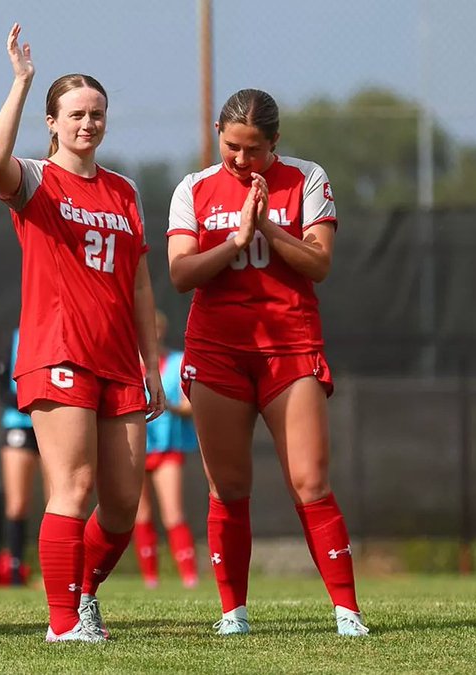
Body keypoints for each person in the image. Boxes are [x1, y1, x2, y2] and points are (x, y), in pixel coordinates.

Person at [0, 24, 165, 643]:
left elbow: (141, 286)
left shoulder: (125, 190)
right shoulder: (35, 180)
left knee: (121, 506)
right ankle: (63, 624)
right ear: (53, 123)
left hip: (119, 358)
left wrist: (152, 364)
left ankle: (81, 592)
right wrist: (22, 83)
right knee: (74, 487)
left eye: (97, 114)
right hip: (58, 351)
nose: (88, 124)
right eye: (76, 115)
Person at [166, 88, 368, 637]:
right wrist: (235, 241)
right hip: (218, 350)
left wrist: (269, 230)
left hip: (290, 346)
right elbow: (181, 274)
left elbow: (320, 263)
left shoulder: (307, 178)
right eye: (231, 145)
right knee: (227, 486)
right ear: (217, 132)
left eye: (253, 149)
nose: (239, 159)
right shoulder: (194, 188)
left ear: (275, 143)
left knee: (310, 480)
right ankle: (233, 613)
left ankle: (347, 612)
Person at [132, 311, 199, 590]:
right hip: (136, 446)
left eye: (155, 329)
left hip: (167, 447)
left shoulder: (175, 362)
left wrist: (166, 404)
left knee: (173, 513)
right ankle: (150, 579)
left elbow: (190, 404)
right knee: (141, 514)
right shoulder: (126, 364)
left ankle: (189, 577)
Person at [0, 328, 42, 587]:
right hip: (19, 423)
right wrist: (31, 403)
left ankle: (57, 572)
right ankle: (15, 571)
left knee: (60, 499)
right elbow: (0, 386)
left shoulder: (61, 330)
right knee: (17, 503)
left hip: (55, 421)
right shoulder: (10, 338)